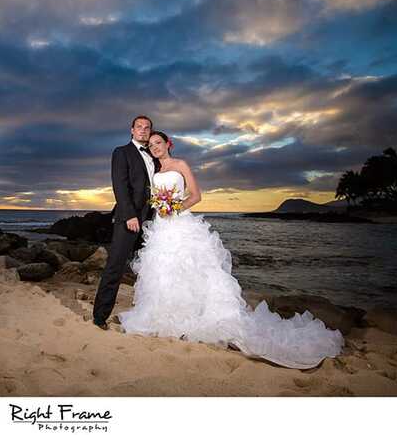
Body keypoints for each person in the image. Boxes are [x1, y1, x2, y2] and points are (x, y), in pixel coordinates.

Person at [117, 131, 345, 370]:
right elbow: (152, 197)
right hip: (162, 227)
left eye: (158, 143)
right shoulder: (155, 171)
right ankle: (166, 315)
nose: (154, 147)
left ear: (167, 144)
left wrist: (174, 207)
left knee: (193, 268)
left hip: (180, 222)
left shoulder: (180, 164)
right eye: (151, 144)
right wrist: (157, 207)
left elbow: (196, 196)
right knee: (165, 270)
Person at [92, 115, 160, 330]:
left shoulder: (154, 156)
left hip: (154, 220)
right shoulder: (122, 152)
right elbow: (120, 186)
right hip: (128, 219)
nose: (142, 130)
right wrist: (130, 215)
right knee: (116, 266)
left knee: (155, 267)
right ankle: (99, 316)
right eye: (138, 127)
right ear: (132, 130)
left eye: (147, 127)